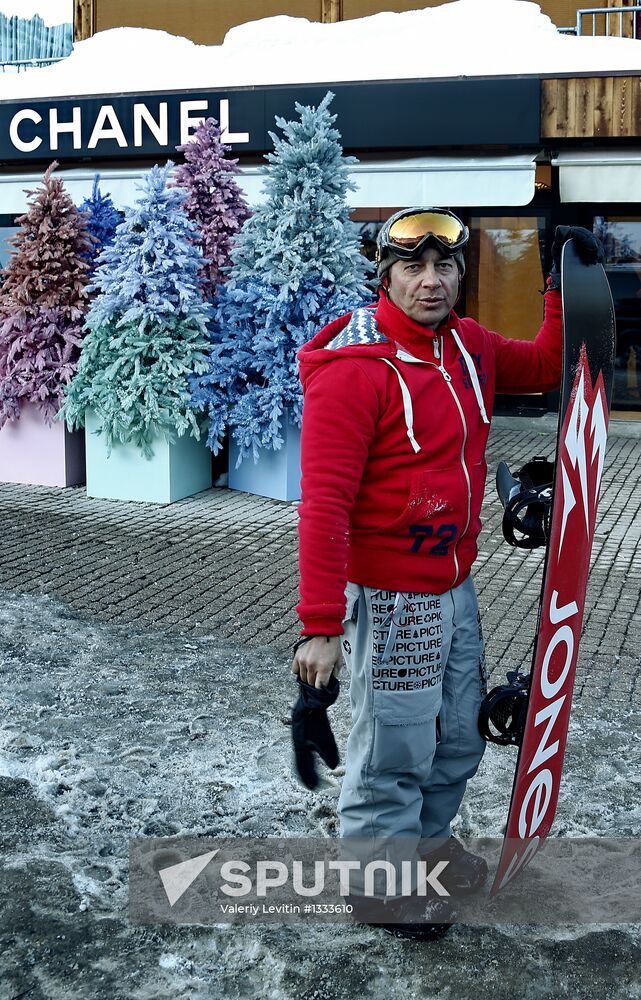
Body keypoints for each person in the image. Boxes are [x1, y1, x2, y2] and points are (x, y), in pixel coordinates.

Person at [291, 208, 602, 939]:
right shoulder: (354, 372)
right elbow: (323, 506)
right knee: (393, 747)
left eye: (445, 267)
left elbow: (544, 361)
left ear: (462, 274)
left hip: (451, 584)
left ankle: (423, 849)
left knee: (458, 736)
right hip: (390, 594)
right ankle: (378, 884)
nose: (430, 282)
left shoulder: (466, 345)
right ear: (385, 274)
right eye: (411, 268)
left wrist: (562, 279)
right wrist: (320, 627)